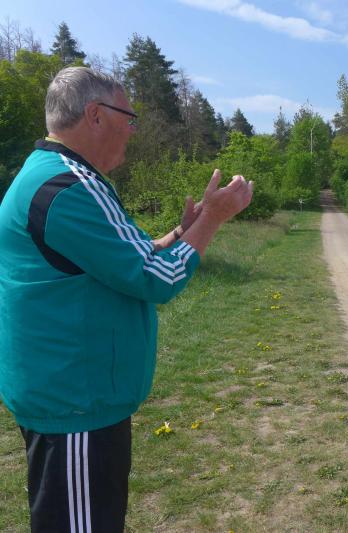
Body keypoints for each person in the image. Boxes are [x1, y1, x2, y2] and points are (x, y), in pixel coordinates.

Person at [0, 66, 253, 532]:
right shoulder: (68, 189)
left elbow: (129, 256)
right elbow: (157, 278)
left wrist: (183, 230)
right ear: (95, 115)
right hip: (75, 405)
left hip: (72, 400)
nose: (133, 130)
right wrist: (213, 219)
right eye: (129, 118)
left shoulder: (58, 177)